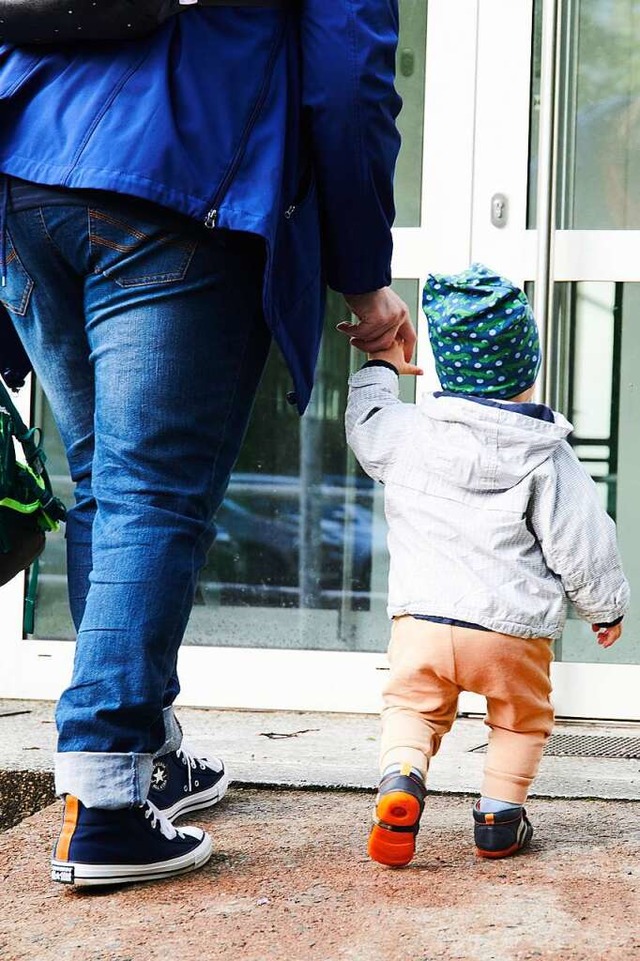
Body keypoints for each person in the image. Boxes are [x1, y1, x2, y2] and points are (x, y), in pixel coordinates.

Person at [0, 0, 416, 887]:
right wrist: (366, 281)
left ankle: (146, 754)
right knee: (150, 495)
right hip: (176, 187)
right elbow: (347, 86)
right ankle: (106, 800)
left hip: (26, 182)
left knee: (114, 489)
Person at [346, 263, 629, 867]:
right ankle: (499, 819)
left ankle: (401, 778)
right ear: (528, 368)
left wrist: (381, 370)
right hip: (510, 632)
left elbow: (367, 427)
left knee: (410, 710)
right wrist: (604, 607)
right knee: (521, 721)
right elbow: (582, 540)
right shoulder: (547, 455)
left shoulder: (413, 435)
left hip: (422, 622)